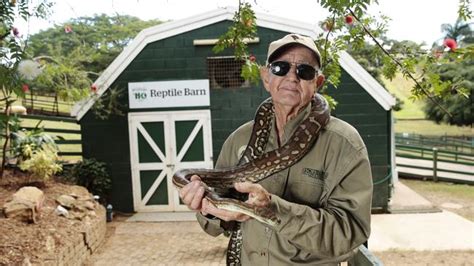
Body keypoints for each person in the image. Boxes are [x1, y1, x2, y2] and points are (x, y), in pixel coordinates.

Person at [178, 33, 373, 265]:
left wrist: (271, 208)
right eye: (280, 68)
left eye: (305, 71)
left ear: (317, 83)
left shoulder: (344, 143)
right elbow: (215, 225)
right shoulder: (239, 139)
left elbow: (348, 235)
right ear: (265, 77)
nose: (292, 77)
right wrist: (208, 208)